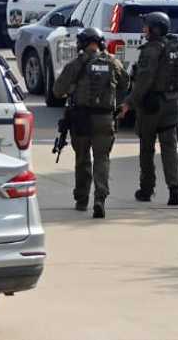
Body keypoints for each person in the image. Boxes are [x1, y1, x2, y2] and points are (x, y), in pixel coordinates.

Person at [53, 27, 129, 219]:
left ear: (83, 43)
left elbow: (57, 91)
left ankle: (82, 199)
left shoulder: (76, 64)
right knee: (102, 158)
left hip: (81, 119)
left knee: (82, 159)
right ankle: (100, 199)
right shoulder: (113, 62)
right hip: (105, 118)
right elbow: (125, 84)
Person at [119, 11, 178, 206]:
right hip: (173, 103)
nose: (143, 29)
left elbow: (143, 82)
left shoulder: (150, 50)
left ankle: (146, 189)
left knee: (147, 148)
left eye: (146, 26)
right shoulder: (175, 48)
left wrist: (128, 102)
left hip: (152, 105)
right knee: (170, 147)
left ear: (155, 28)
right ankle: (175, 189)